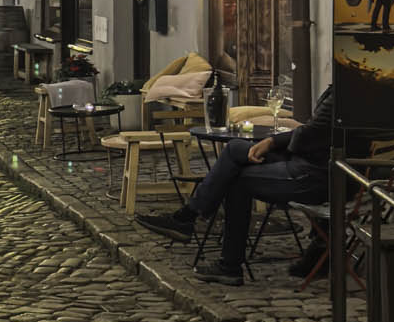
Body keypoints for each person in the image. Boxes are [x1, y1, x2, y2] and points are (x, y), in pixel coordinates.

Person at [136, 85, 334, 286]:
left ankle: (213, 247)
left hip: (312, 174)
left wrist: (272, 142)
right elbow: (313, 133)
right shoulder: (343, 85)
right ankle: (189, 219)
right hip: (309, 162)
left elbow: (311, 133)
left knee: (238, 179)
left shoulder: (345, 90)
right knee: (235, 148)